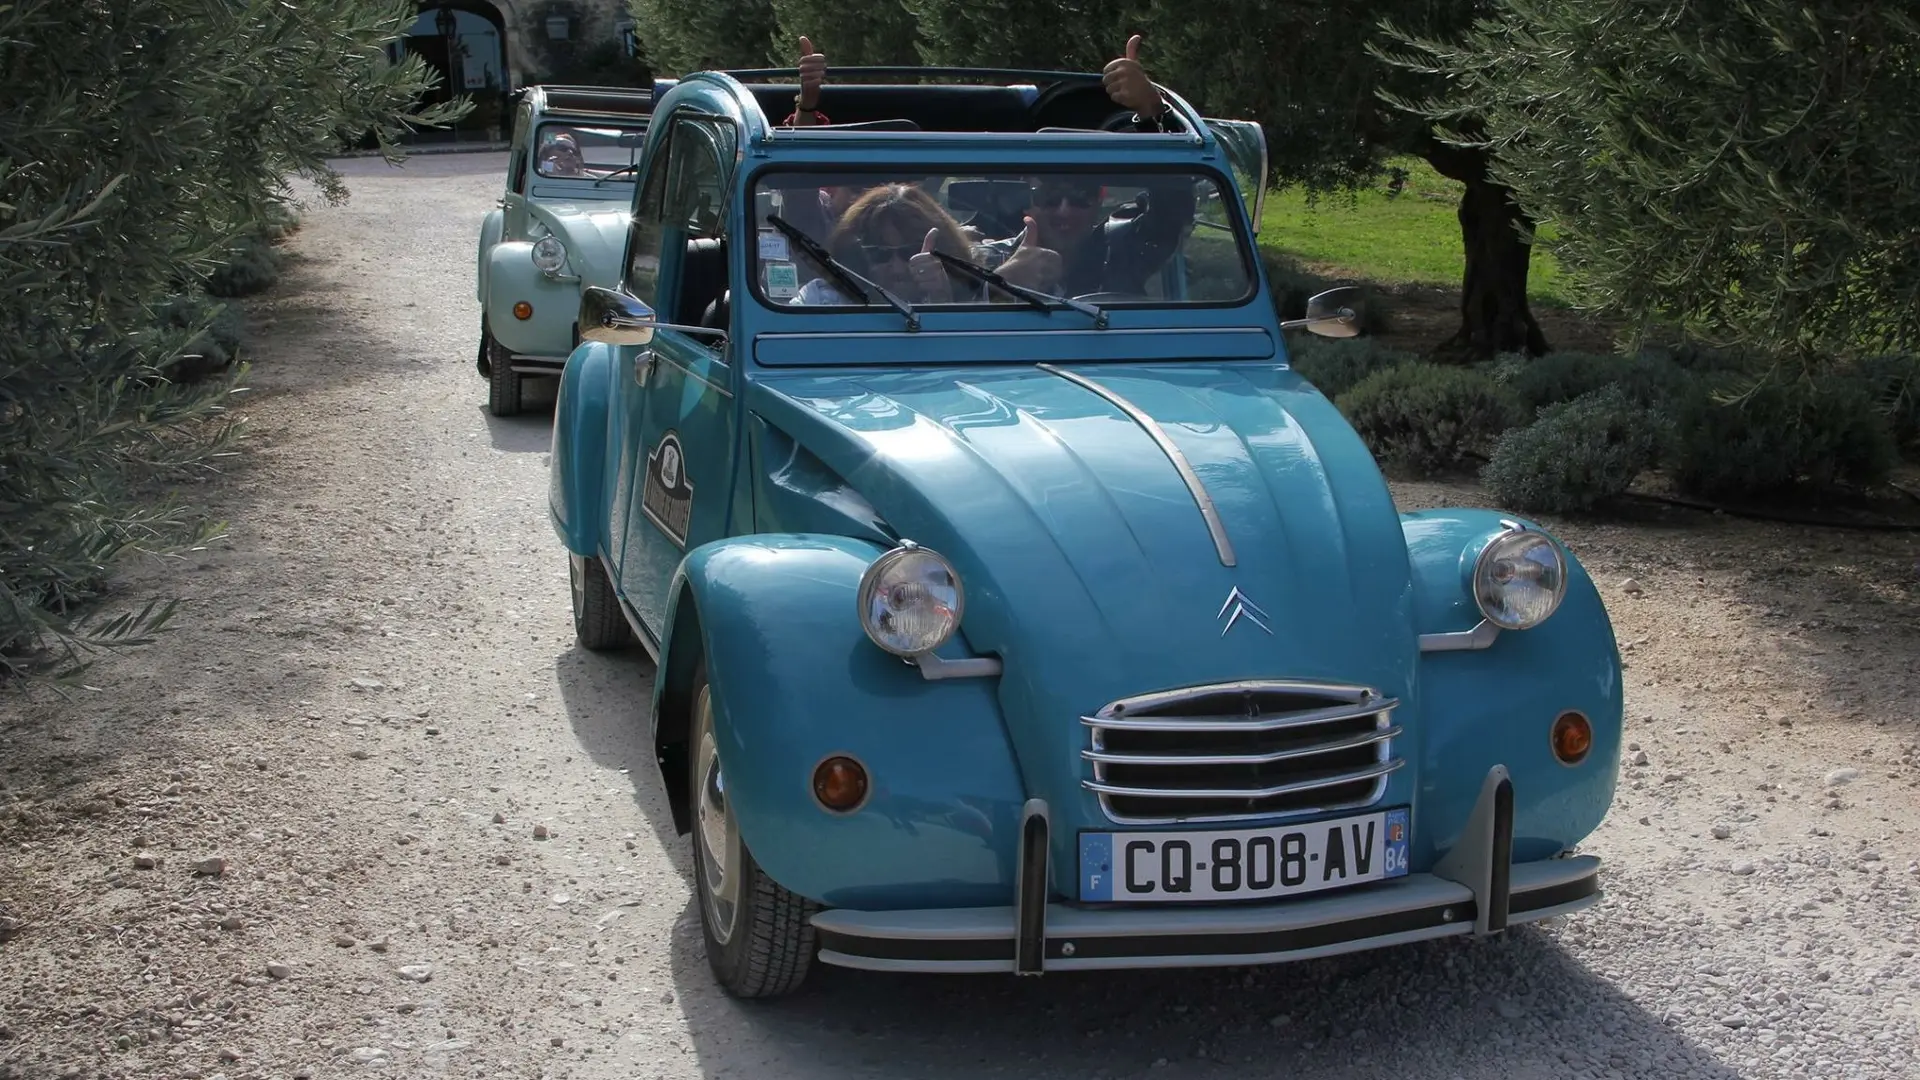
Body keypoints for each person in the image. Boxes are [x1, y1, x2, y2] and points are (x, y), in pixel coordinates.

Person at [791, 184, 979, 306]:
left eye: (910, 253)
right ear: (856, 255)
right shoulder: (821, 301)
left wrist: (941, 299)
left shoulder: (974, 301)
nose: (897, 268)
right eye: (880, 254)